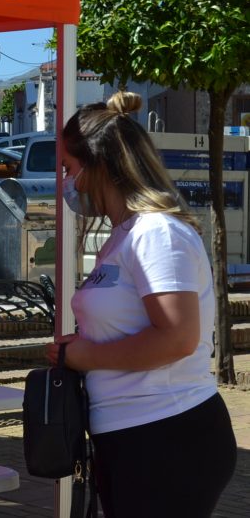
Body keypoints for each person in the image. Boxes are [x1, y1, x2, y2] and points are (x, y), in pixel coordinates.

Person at [45, 91, 236, 517]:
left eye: (69, 169)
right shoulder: (123, 237)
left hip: (167, 435)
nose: (66, 181)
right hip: (131, 435)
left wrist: (84, 355)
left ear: (99, 166)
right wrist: (77, 348)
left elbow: (176, 338)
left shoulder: (157, 234)